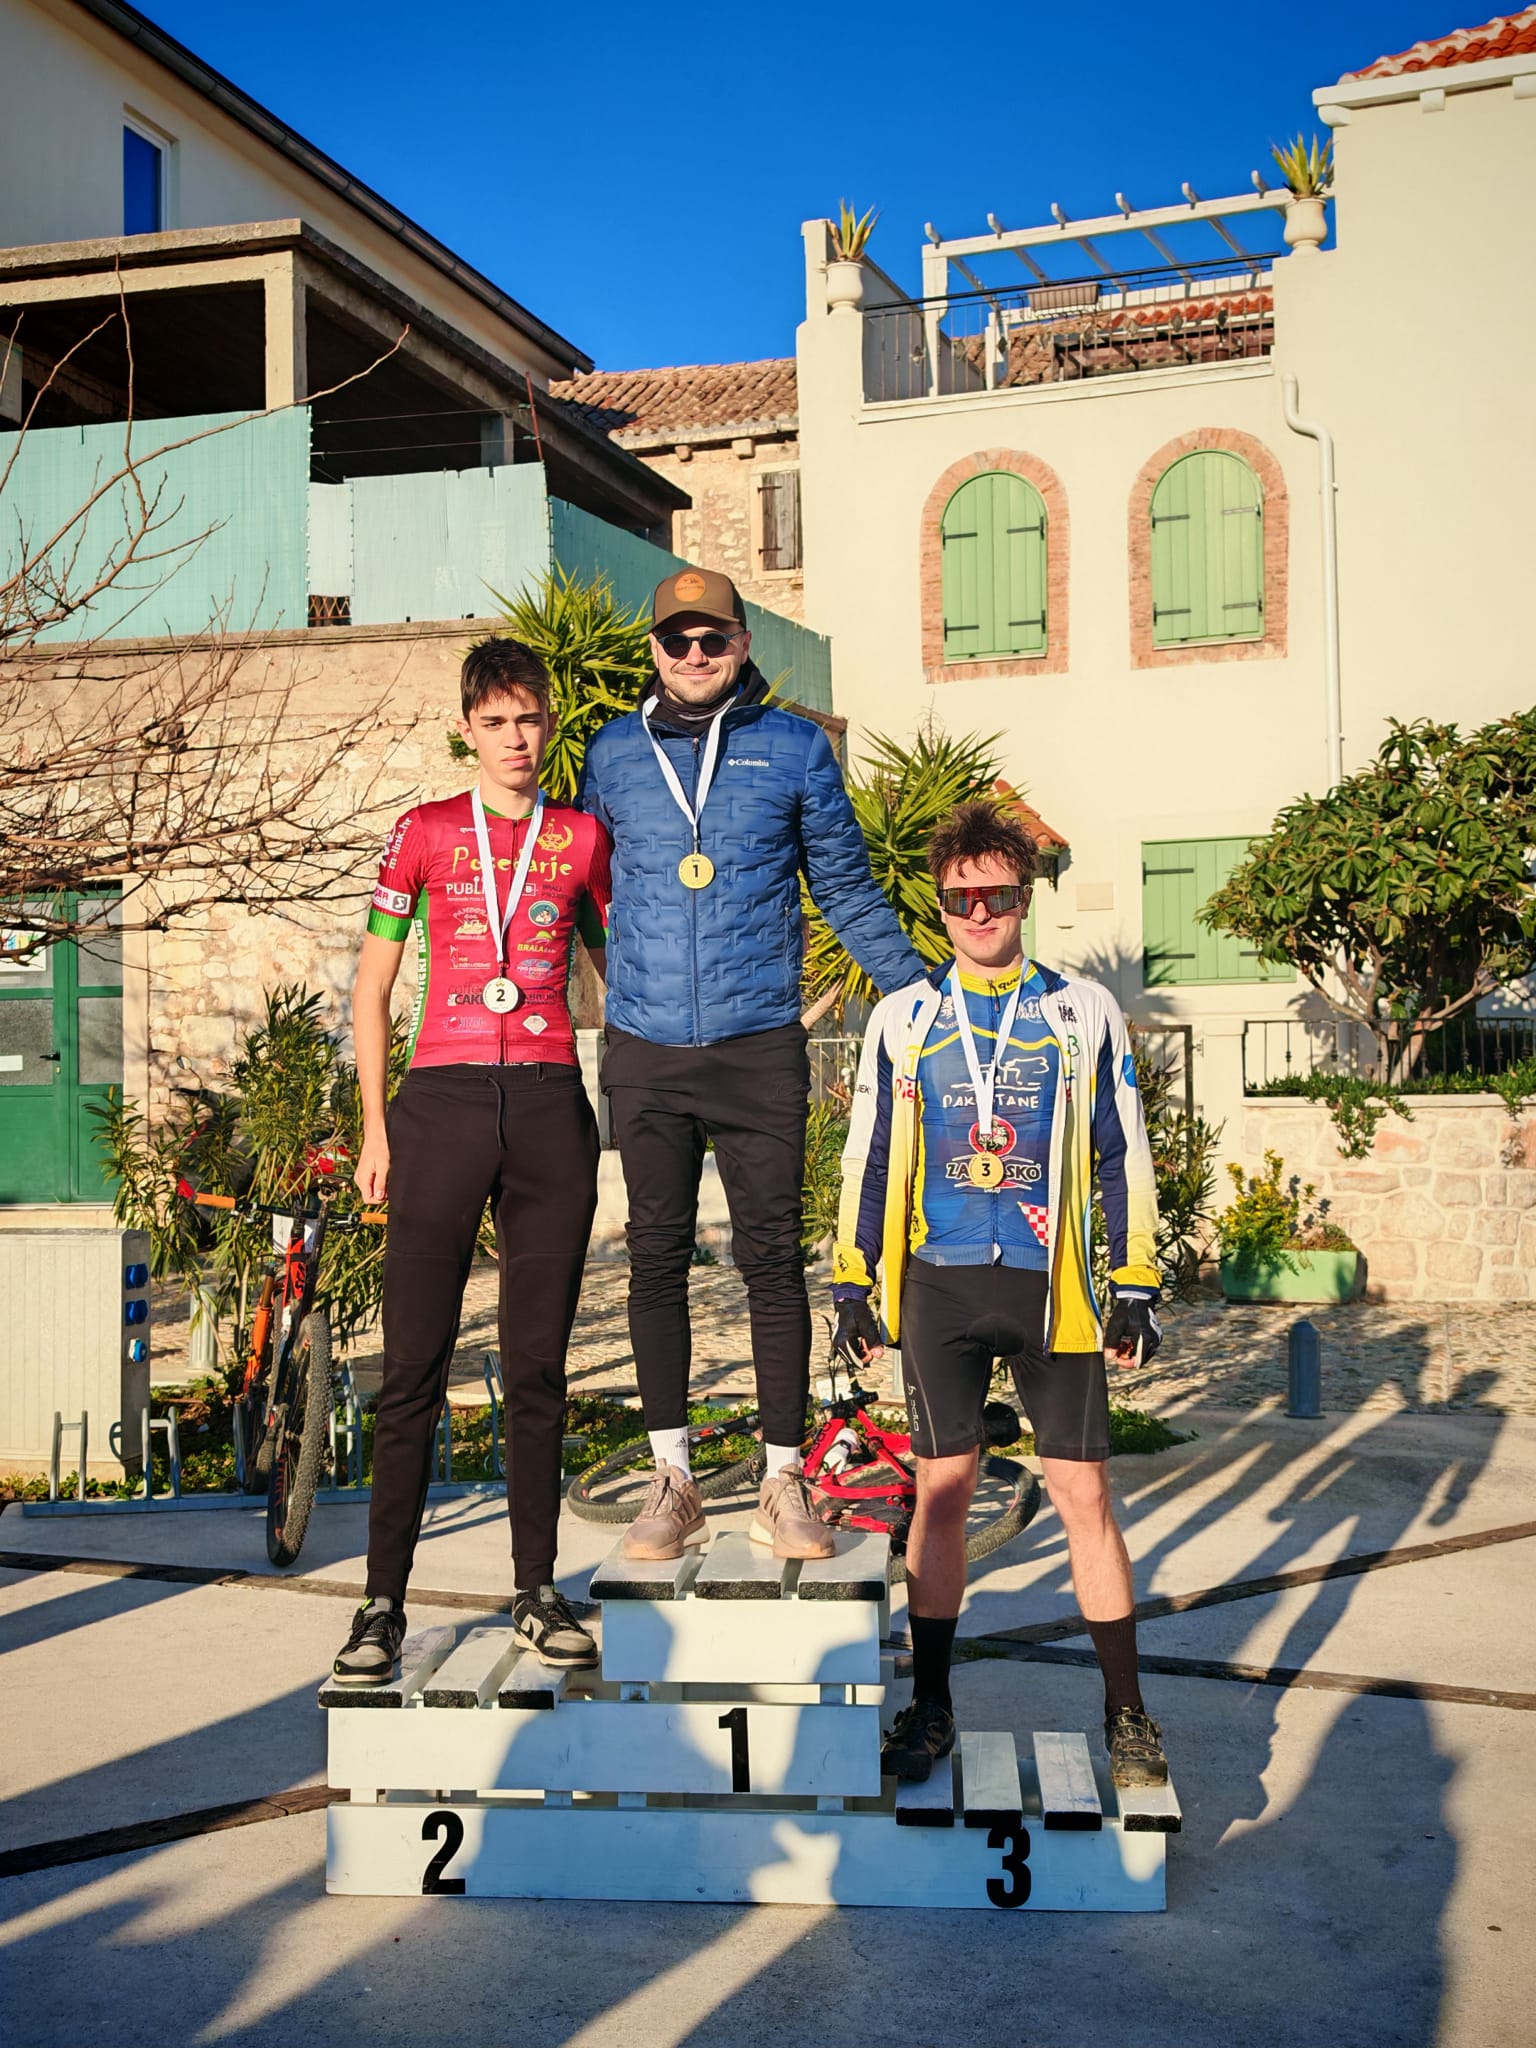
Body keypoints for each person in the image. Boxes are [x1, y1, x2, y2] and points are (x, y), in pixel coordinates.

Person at [579, 566, 926, 1563]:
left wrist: (923, 996)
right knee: (655, 1256)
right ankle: (673, 1480)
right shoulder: (612, 752)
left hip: (758, 1041)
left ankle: (782, 1479)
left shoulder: (795, 748)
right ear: (654, 650)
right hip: (646, 1047)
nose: (695, 654)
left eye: (714, 638)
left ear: (742, 643)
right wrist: (605, 980)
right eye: (677, 639)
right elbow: (580, 885)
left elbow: (847, 888)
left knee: (771, 1260)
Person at [832, 800, 1170, 1788]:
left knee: (1083, 1496)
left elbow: (1122, 1152)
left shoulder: (1081, 1010)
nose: (978, 912)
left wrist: (1136, 1283)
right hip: (937, 1286)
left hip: (1050, 1290)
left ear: (1026, 897)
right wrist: (853, 1280)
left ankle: (1128, 1714)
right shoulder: (904, 1017)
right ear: (939, 904)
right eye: (959, 897)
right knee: (940, 1495)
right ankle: (931, 1704)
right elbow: (869, 1154)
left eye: (998, 894)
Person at [330, 637, 612, 1685]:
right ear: (467, 729)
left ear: (549, 722)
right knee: (413, 1368)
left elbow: (626, 968)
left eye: (529, 719)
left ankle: (536, 1588)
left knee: (537, 1367)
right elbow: (370, 988)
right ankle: (381, 1604)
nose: (515, 739)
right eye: (495, 722)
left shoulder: (583, 837)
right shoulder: (424, 832)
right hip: (440, 1105)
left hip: (548, 1103)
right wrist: (376, 1127)